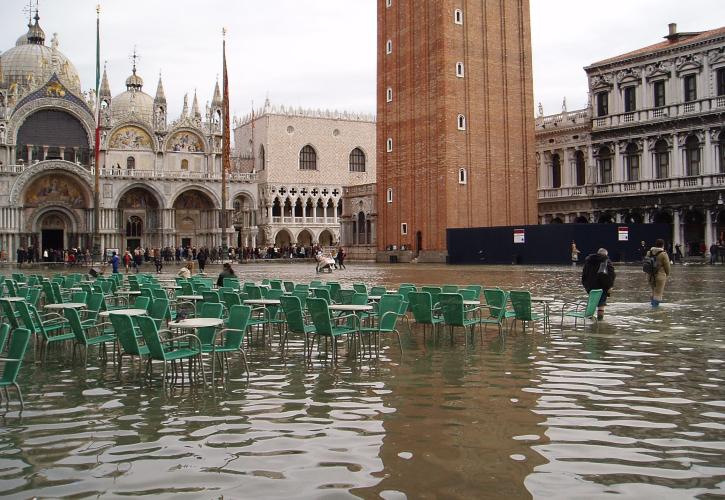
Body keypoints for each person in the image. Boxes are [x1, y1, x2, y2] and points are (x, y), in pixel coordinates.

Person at [581, 248, 616, 320]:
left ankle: (592, 322)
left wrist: (587, 287)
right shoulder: (605, 261)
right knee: (601, 305)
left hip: (590, 288)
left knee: (592, 305)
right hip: (602, 287)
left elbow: (584, 276)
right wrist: (609, 286)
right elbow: (610, 275)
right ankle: (600, 323)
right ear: (606, 254)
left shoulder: (588, 261)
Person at [646, 239, 671, 307]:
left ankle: (652, 305)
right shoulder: (663, 254)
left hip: (650, 275)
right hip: (660, 276)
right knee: (658, 293)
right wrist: (667, 274)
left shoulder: (649, 252)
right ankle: (654, 310)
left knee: (653, 292)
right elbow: (667, 266)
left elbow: (646, 263)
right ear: (663, 245)